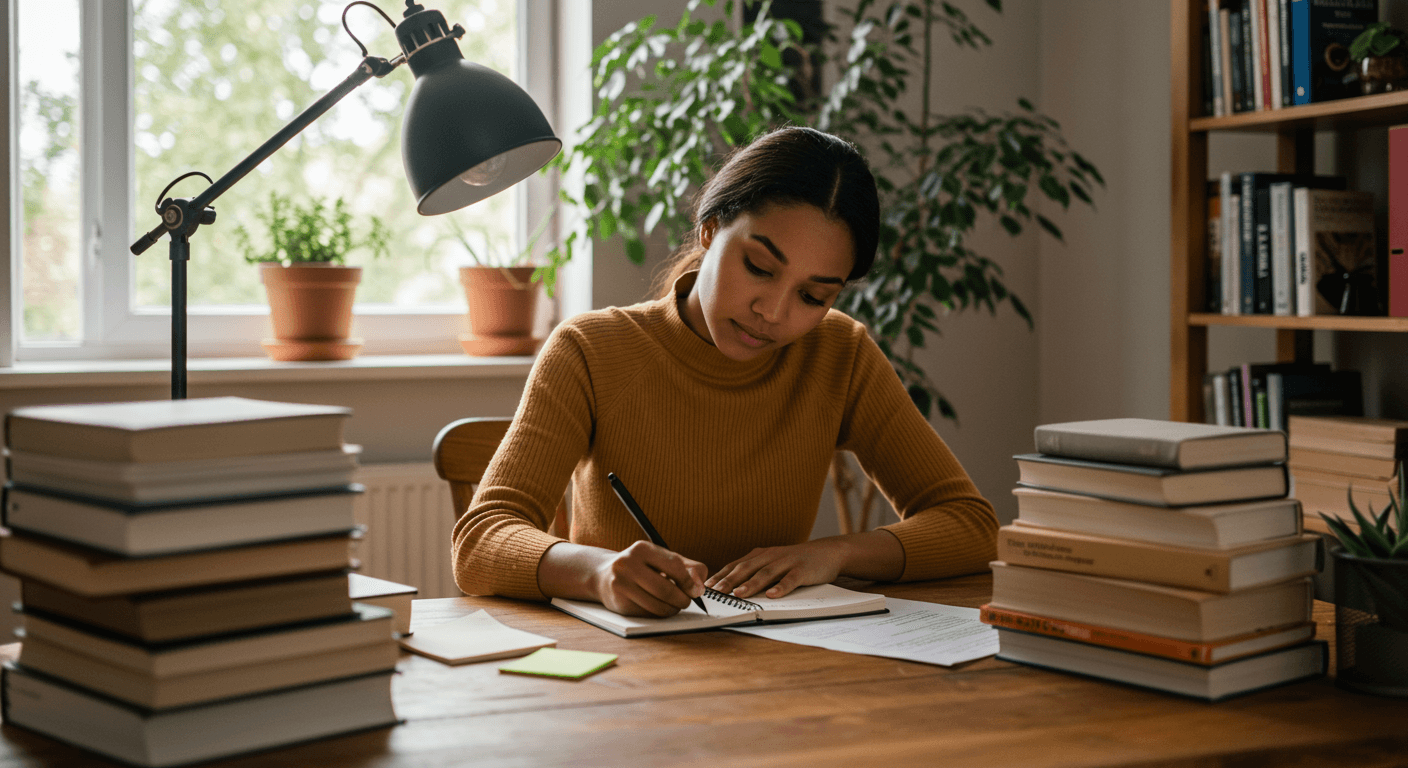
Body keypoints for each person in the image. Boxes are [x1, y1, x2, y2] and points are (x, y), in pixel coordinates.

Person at [452, 125, 997, 617]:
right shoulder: (591, 349)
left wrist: (836, 553)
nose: (774, 313)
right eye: (759, 267)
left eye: (813, 296)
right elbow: (480, 540)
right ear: (711, 230)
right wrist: (596, 572)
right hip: (623, 670)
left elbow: (971, 526)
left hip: (779, 666)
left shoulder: (840, 354)